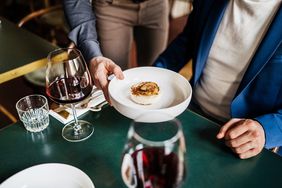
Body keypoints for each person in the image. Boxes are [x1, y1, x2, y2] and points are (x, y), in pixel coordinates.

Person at [89, 0, 282, 159]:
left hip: (245, 140)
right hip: (191, 115)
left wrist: (266, 130)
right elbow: (188, 40)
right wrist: (154, 74)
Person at [63, 0, 169, 87]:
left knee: (154, 74)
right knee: (115, 78)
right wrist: (93, 55)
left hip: (156, 5)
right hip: (111, 8)